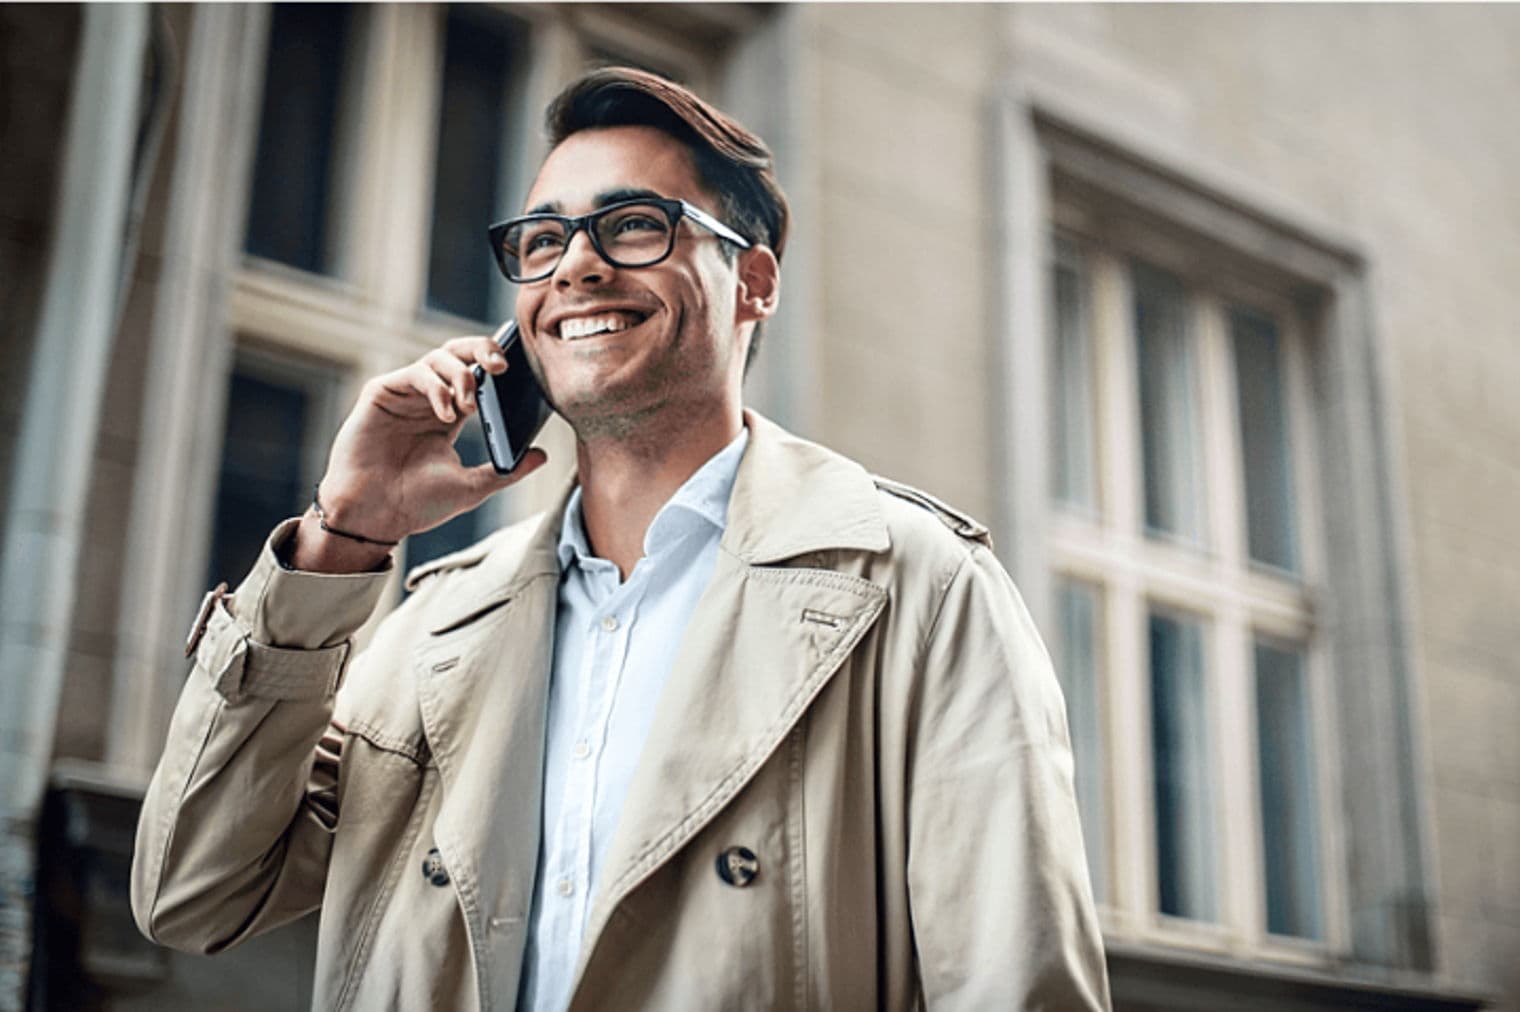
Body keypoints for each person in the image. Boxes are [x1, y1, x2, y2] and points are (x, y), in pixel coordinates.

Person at [131, 66, 1110, 1011]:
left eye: (634, 224)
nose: (576, 266)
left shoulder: (919, 589)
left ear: (753, 280)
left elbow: (1014, 989)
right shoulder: (437, 624)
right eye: (542, 239)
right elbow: (192, 893)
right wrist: (344, 535)